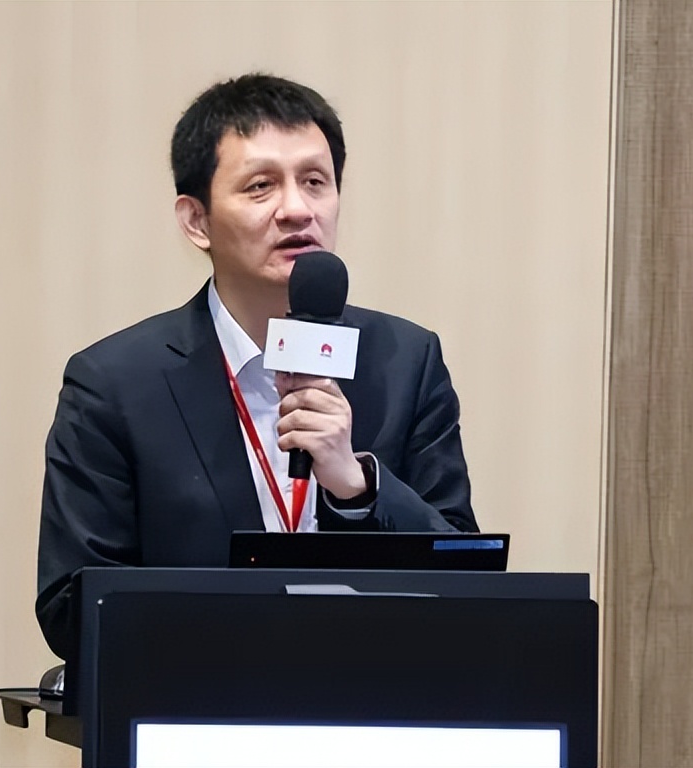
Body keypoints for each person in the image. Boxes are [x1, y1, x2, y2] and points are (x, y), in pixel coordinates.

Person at [36, 73, 477, 661]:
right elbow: (71, 607)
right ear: (196, 221)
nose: (297, 209)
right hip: (199, 703)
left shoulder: (406, 361)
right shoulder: (114, 385)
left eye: (315, 182)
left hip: (371, 697)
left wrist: (358, 488)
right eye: (261, 186)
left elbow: (468, 577)